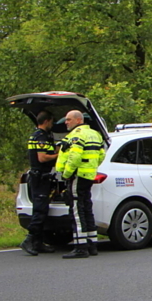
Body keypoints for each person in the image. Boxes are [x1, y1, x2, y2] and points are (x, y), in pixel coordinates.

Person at [56, 110, 107, 259]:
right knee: (86, 206)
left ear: (78, 120)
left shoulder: (77, 135)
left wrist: (66, 174)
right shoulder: (95, 134)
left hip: (77, 175)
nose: (66, 122)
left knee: (77, 210)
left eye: (68, 119)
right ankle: (92, 244)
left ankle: (80, 247)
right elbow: (101, 155)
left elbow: (75, 156)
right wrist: (91, 168)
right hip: (88, 175)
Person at [21, 111, 59, 256]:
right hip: (40, 177)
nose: (53, 124)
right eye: (52, 121)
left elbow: (48, 152)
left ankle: (38, 243)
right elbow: (42, 158)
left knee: (42, 209)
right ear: (47, 121)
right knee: (40, 210)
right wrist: (59, 155)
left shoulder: (41, 136)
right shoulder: (40, 136)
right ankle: (29, 239)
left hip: (41, 176)